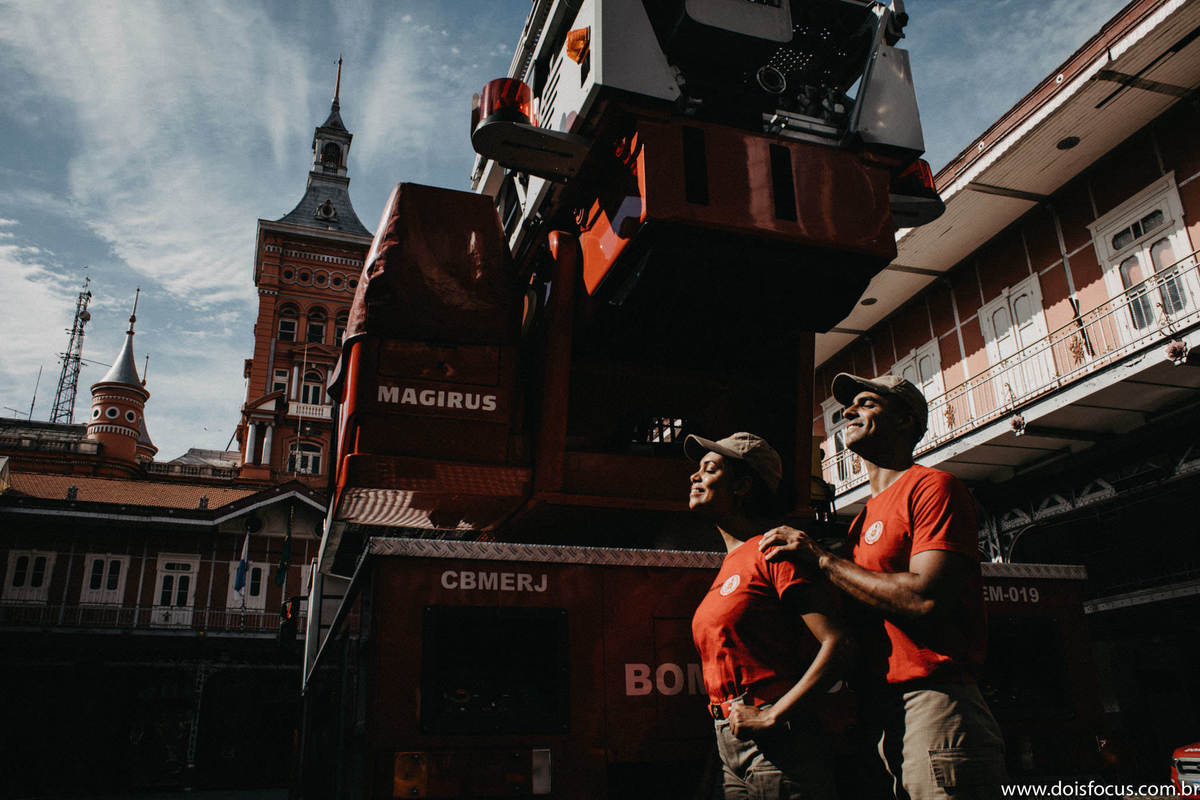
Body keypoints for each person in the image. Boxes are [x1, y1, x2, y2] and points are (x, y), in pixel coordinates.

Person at [758, 374, 1006, 800]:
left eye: (867, 403)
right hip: (878, 710)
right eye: (847, 406)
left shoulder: (933, 487)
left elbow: (924, 598)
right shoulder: (861, 520)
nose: (848, 411)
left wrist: (820, 559)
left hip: (934, 703)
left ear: (905, 420)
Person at [686, 431, 848, 800]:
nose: (694, 477)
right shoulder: (731, 562)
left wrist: (773, 715)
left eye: (709, 469)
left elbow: (838, 643)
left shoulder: (772, 552)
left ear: (743, 485)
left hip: (780, 747)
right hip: (731, 744)